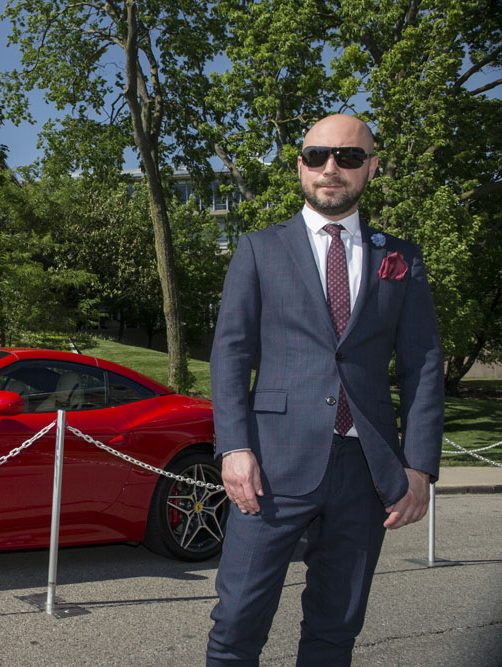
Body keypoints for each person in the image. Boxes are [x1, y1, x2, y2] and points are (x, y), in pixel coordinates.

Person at [206, 113, 444, 666]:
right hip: (269, 468)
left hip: (365, 471)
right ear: (301, 166)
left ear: (371, 167)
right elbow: (231, 355)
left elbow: (423, 365)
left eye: (349, 156)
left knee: (336, 630)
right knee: (237, 622)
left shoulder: (401, 258)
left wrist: (419, 467)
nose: (331, 168)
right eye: (318, 156)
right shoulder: (259, 249)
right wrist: (234, 447)